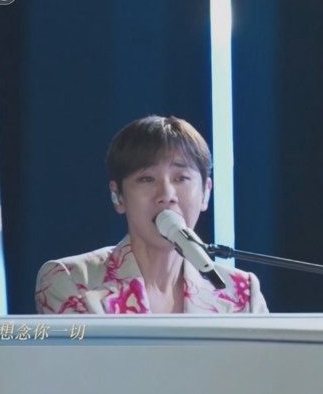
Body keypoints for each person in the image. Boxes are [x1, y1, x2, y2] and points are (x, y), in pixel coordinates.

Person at [35, 115, 268, 314]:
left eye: (181, 178)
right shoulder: (71, 280)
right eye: (146, 179)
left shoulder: (241, 293)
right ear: (118, 197)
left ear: (206, 193)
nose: (167, 194)